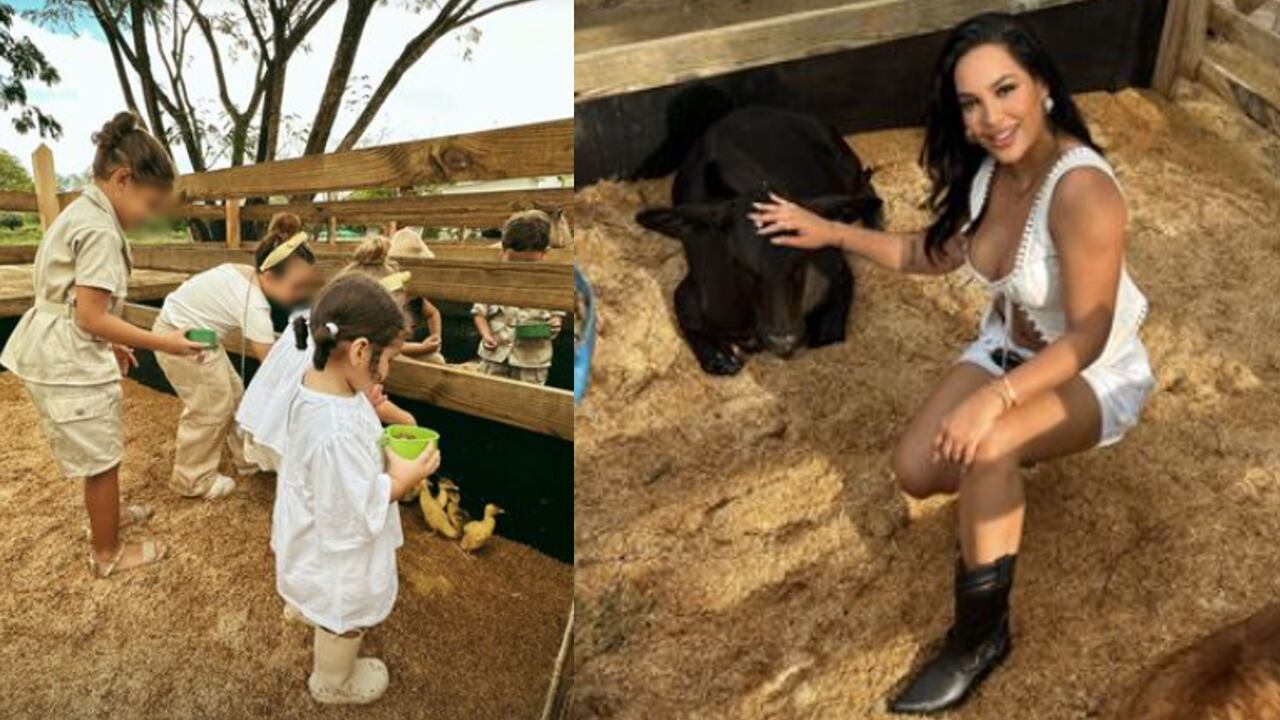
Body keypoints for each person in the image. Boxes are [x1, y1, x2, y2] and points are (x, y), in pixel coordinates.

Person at [750, 13, 1154, 714]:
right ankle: (1005, 467)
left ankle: (980, 638)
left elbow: (1089, 333)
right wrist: (832, 232)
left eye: (1005, 91)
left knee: (989, 447)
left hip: (1093, 371)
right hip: (1005, 350)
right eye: (971, 102)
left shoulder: (1083, 190)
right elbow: (927, 256)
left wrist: (996, 404)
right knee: (918, 469)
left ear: (1044, 88)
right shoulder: (989, 174)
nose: (991, 117)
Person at [0, 111, 206, 577]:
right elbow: (92, 316)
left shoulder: (86, 211)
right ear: (123, 179)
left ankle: (105, 515)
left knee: (101, 451)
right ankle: (108, 552)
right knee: (103, 458)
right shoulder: (97, 230)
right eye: (151, 204)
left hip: (59, 341)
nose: (150, 218)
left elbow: (80, 304)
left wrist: (113, 344)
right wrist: (165, 342)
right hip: (66, 356)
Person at [272, 273, 439, 705]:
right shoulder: (336, 431)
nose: (388, 370)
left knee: (317, 587)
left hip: (306, 525)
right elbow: (352, 508)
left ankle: (308, 605)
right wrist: (404, 479)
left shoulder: (321, 386)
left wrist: (375, 405)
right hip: (336, 555)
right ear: (362, 350)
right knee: (342, 612)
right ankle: (332, 682)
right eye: (389, 359)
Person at [151, 212, 317, 499]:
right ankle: (193, 479)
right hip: (180, 338)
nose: (301, 294)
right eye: (297, 286)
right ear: (269, 275)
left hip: (197, 334)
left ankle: (248, 459)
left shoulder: (247, 273)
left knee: (236, 394)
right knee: (211, 407)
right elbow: (273, 367)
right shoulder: (255, 307)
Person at [237, 240, 421, 473]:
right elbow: (363, 403)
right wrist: (407, 420)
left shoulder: (309, 319)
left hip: (266, 422)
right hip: (299, 438)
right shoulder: (347, 354)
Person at [472, 210, 566, 385]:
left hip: (532, 363)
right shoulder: (494, 279)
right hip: (495, 357)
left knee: (527, 403)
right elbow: (479, 311)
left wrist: (555, 322)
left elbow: (558, 314)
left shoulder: (552, 283)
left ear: (545, 253)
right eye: (514, 262)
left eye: (529, 263)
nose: (521, 269)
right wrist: (486, 336)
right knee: (489, 396)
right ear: (503, 250)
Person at [388, 228, 446, 364]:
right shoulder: (389, 300)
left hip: (408, 348)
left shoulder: (416, 297)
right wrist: (422, 348)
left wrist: (436, 336)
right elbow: (388, 344)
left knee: (437, 361)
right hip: (387, 353)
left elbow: (433, 313)